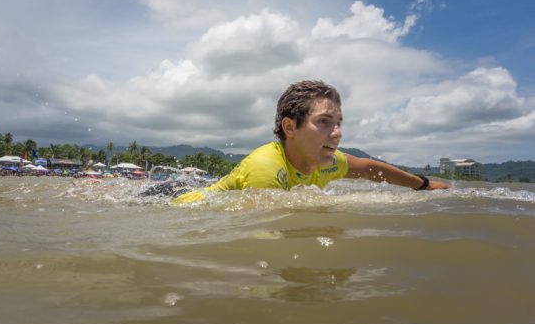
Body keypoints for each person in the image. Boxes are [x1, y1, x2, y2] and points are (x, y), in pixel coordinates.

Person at [169, 80, 450, 203]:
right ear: (290, 127)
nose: (337, 133)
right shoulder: (267, 169)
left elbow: (367, 168)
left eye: (339, 123)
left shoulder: (324, 161)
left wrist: (424, 185)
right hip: (180, 203)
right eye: (324, 122)